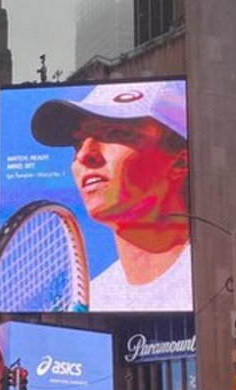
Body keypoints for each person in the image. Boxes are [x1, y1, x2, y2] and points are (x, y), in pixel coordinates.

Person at [31, 81, 192, 312]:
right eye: (78, 143)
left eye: (115, 133)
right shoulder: (94, 300)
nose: (85, 155)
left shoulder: (224, 273)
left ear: (181, 161)